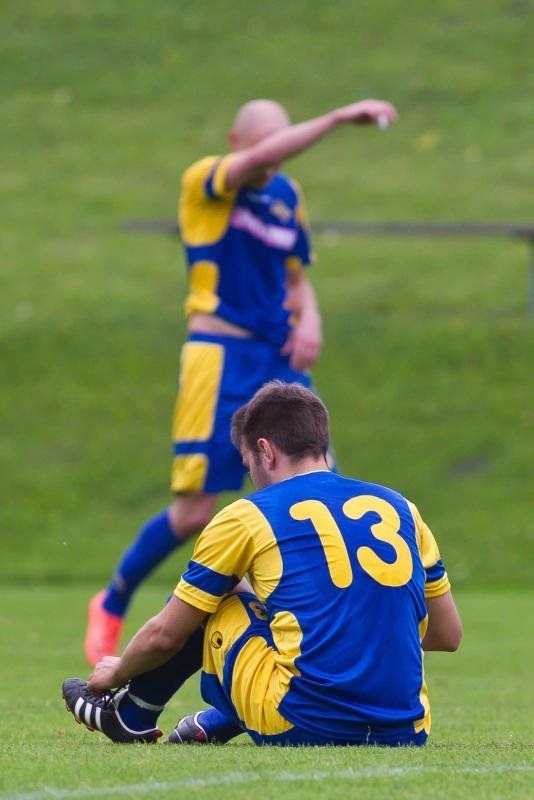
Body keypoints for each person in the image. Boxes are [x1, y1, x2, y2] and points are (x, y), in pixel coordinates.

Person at [84, 97, 398, 665]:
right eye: (265, 146)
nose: (273, 159)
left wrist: (311, 318)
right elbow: (260, 160)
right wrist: (333, 120)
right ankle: (111, 602)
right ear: (236, 142)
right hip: (219, 356)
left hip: (279, 359)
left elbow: (296, 278)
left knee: (316, 487)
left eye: (281, 146)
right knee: (194, 512)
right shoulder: (206, 181)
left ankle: (320, 626)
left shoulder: (287, 196)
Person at [65, 382, 461, 747]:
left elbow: (165, 635)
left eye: (248, 463)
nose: (251, 476)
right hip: (406, 729)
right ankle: (216, 721)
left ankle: (131, 714)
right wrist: (361, 633)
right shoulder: (402, 508)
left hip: (302, 724)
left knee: (217, 594)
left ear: (265, 451)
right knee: (310, 619)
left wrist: (116, 671)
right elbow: (447, 634)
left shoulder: (247, 515)